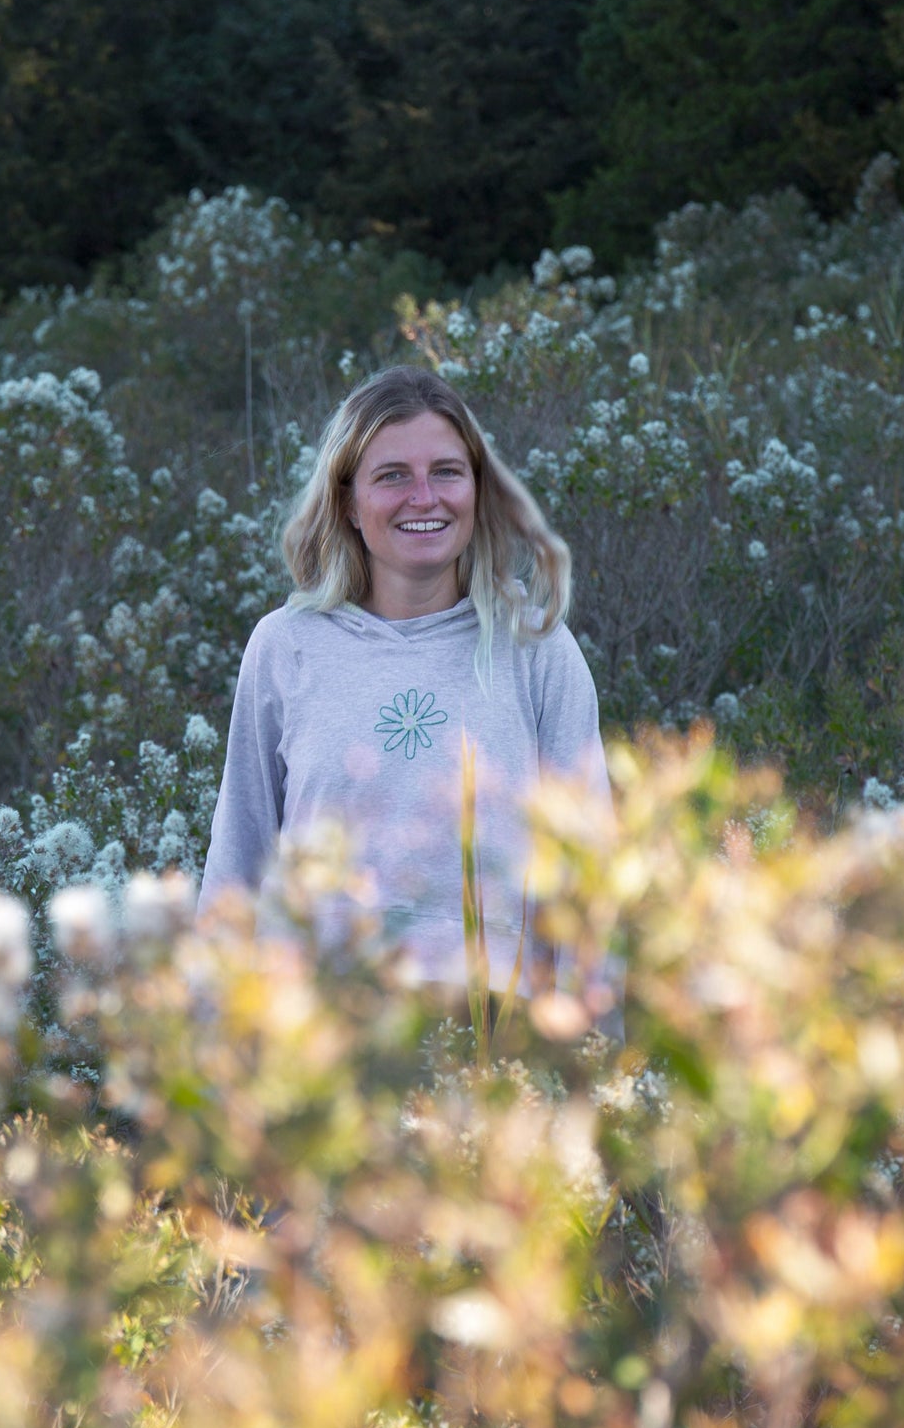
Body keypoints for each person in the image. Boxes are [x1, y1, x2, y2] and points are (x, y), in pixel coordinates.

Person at [198, 365, 610, 997]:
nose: (425, 497)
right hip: (316, 1032)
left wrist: (597, 1059)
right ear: (348, 504)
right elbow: (239, 858)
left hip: (491, 1038)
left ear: (478, 489)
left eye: (446, 471)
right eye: (392, 476)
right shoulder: (286, 647)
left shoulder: (536, 646)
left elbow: (588, 871)